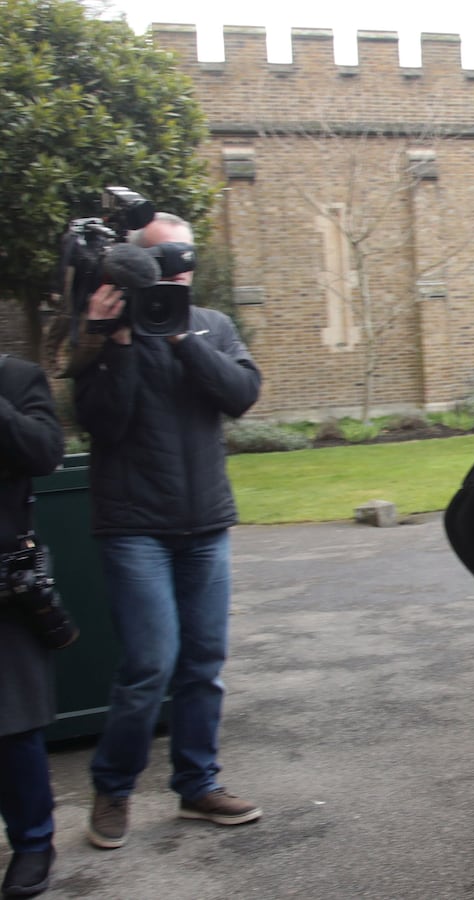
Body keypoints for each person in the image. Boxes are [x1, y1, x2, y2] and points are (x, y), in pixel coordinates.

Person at [72, 213, 263, 850]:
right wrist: (116, 340)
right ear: (137, 266)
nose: (180, 267)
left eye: (188, 256)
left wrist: (183, 337)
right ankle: (114, 787)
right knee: (149, 664)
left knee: (204, 663)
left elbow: (240, 394)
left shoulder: (211, 325)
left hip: (204, 520)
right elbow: (102, 424)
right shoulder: (108, 334)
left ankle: (196, 784)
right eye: (165, 257)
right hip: (135, 527)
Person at [0, 354, 66, 898]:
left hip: (4, 581)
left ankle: (32, 842)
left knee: (14, 724)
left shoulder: (16, 379)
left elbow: (46, 452)